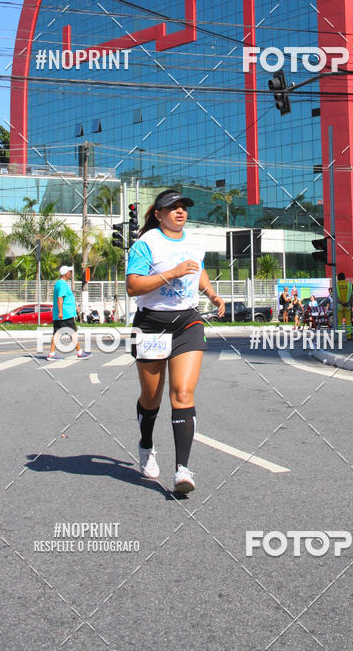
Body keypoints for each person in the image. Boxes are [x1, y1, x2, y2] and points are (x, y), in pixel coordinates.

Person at [126, 188, 224, 495]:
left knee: (182, 392)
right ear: (158, 214)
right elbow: (133, 287)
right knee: (151, 397)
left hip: (187, 322)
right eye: (172, 207)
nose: (180, 211)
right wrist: (172, 273)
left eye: (183, 207)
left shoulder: (194, 243)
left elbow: (199, 270)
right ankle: (146, 443)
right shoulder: (146, 244)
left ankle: (183, 469)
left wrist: (210, 293)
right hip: (151, 324)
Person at [48, 264, 88, 360]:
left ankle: (52, 354)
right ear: (66, 274)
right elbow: (60, 299)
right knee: (72, 332)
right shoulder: (62, 284)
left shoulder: (59, 283)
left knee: (56, 333)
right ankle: (79, 352)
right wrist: (61, 312)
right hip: (65, 314)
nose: (70, 273)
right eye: (69, 272)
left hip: (62, 313)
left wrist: (74, 307)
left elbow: (65, 299)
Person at [336, 272, 353, 341]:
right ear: (344, 277)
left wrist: (341, 303)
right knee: (348, 322)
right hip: (347, 306)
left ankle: (339, 338)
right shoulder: (350, 285)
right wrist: (348, 302)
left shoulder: (335, 285)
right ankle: (349, 337)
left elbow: (333, 296)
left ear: (338, 278)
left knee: (339, 323)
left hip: (339, 306)